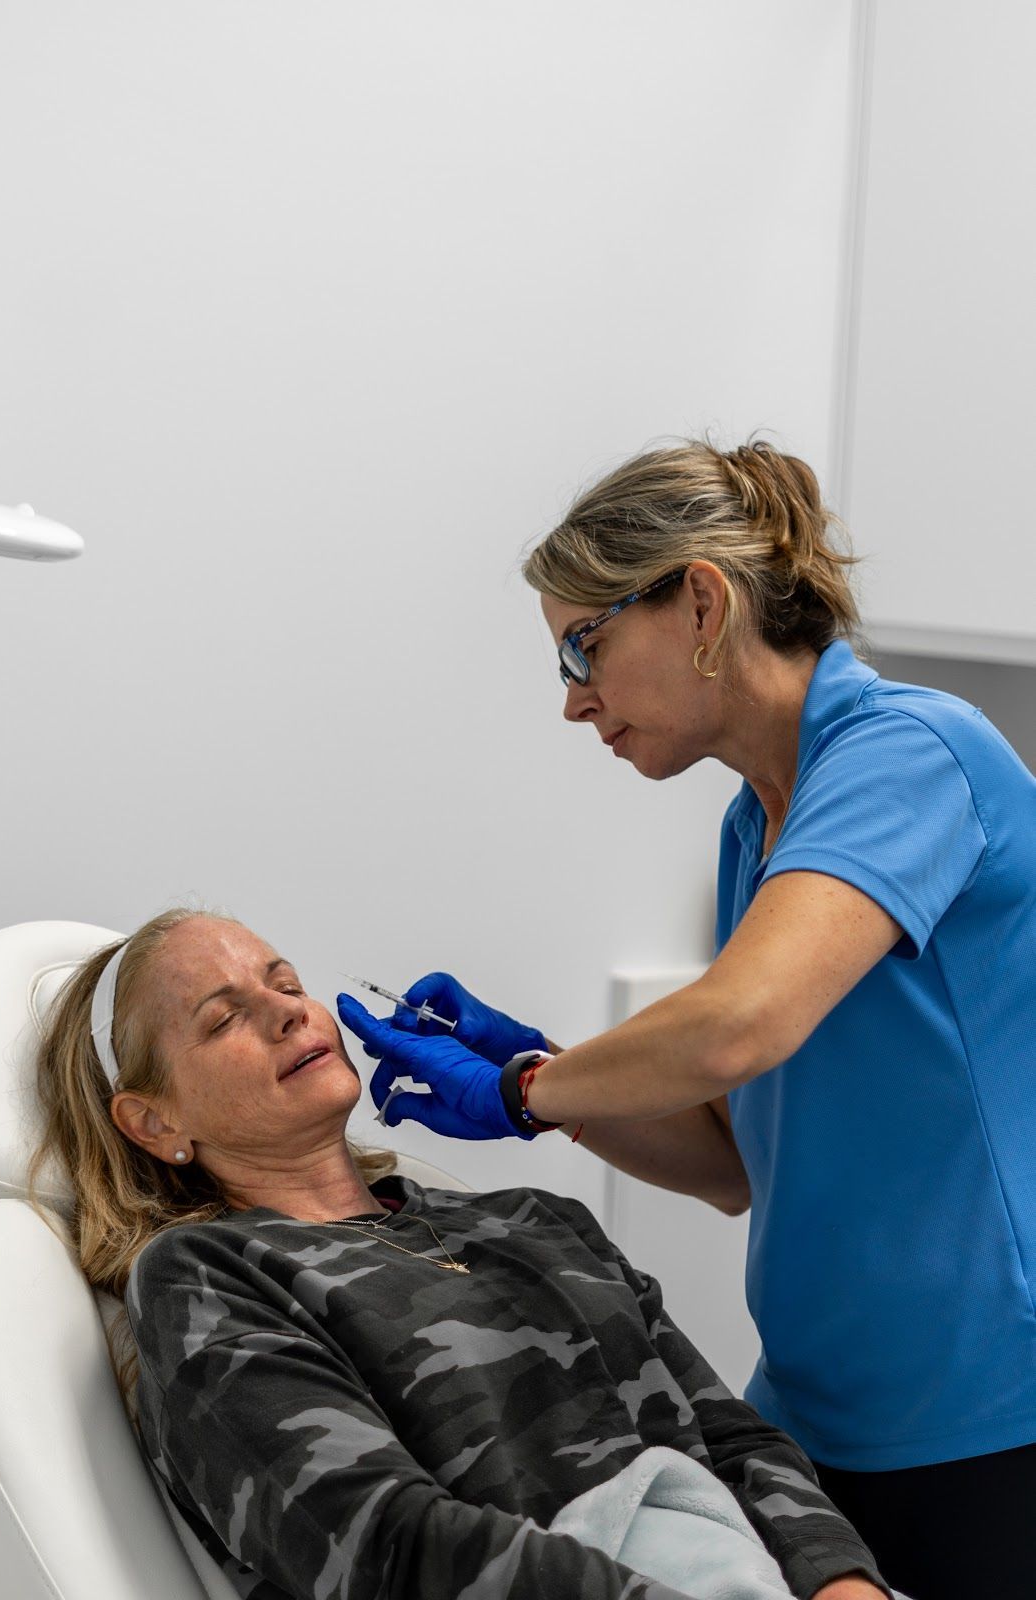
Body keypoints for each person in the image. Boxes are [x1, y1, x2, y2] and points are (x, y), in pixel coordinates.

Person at [336, 437, 1036, 1600]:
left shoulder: (909, 750)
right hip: (814, 1416)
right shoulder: (752, 828)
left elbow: (735, 1024)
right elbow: (728, 1160)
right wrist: (549, 1080)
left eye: (584, 643)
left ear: (700, 602)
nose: (571, 699)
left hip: (983, 1415)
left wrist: (515, 1095)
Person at [29, 907, 893, 1600]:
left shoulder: (535, 1220)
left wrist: (840, 1581)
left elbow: (733, 1438)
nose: (288, 1010)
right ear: (154, 1123)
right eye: (225, 1020)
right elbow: (380, 1545)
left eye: (284, 981)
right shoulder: (208, 1277)